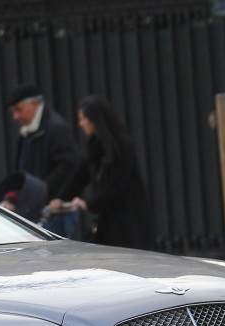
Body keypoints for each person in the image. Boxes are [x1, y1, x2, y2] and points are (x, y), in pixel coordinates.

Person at [49, 95, 155, 251]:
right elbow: (80, 177)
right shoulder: (93, 147)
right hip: (106, 217)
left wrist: (88, 204)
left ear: (94, 120)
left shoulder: (122, 146)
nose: (80, 124)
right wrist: (61, 197)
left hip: (127, 218)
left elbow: (118, 186)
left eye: (83, 119)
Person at [0, 83, 80, 237]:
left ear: (35, 103)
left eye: (18, 109)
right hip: (35, 207)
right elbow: (23, 174)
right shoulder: (28, 132)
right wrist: (12, 197)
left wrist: (42, 193)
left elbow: (69, 165)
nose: (15, 117)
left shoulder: (56, 129)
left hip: (53, 211)